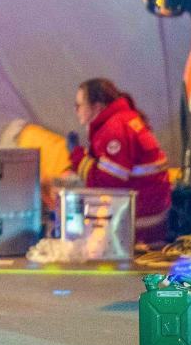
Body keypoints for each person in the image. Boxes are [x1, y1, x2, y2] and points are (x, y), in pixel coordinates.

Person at [69, 78, 172, 246]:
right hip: (152, 214)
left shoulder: (114, 129)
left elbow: (107, 183)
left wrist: (78, 158)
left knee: (77, 222)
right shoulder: (123, 120)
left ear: (97, 107)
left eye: (79, 105)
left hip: (138, 222)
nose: (76, 110)